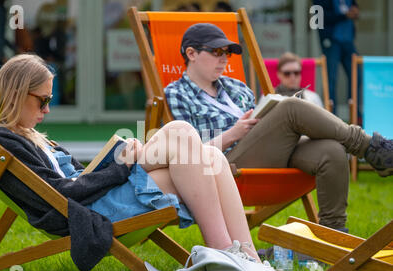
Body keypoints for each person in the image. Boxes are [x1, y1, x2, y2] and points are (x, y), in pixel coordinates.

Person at [0, 54, 276, 271]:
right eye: (44, 100)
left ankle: (247, 258)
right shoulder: (0, 141)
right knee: (181, 133)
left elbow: (76, 176)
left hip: (96, 197)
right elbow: (62, 194)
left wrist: (117, 158)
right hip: (84, 211)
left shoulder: (24, 133)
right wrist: (121, 166)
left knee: (210, 156)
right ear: (16, 95)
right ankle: (223, 255)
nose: (48, 110)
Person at [165, 23, 393, 232]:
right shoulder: (177, 94)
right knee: (291, 106)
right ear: (191, 53)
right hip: (224, 165)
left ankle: (332, 234)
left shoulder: (237, 88)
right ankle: (370, 147)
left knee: (332, 150)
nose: (224, 59)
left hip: (264, 152)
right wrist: (234, 132)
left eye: (227, 52)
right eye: (216, 52)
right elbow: (188, 154)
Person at [313, 0, 361, 122]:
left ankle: (355, 114)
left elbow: (353, 6)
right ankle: (331, 117)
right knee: (331, 80)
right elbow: (319, 18)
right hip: (332, 41)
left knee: (356, 76)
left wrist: (355, 10)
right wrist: (344, 15)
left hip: (348, 41)